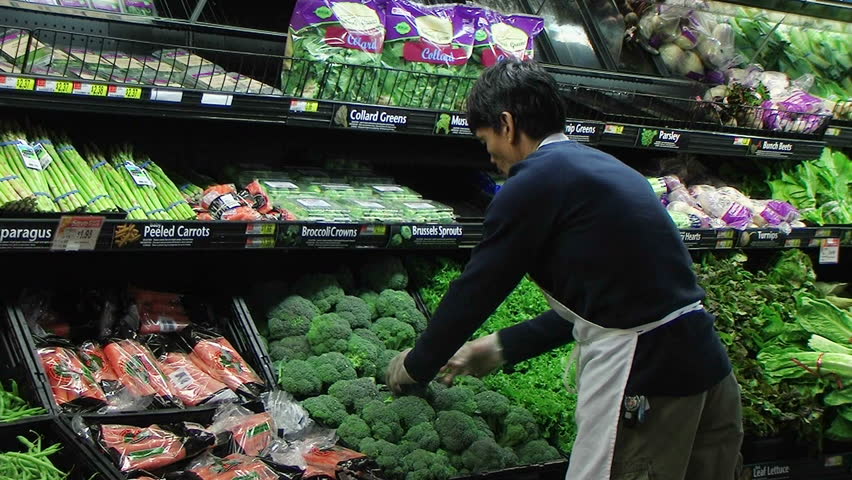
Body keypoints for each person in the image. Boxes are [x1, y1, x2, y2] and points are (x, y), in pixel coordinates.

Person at [385, 59, 743, 480]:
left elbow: (480, 285)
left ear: (507, 124)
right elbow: (612, 300)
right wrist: (501, 347)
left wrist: (419, 364)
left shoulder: (533, 181)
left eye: (486, 142)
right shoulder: (600, 166)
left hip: (646, 369)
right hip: (705, 364)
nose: (493, 158)